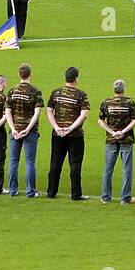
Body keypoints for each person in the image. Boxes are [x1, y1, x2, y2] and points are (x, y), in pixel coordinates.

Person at [46, 66, 90, 200]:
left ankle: (51, 192)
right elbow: (84, 114)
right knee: (75, 165)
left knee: (55, 163)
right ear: (76, 78)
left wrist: (57, 128)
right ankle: (76, 194)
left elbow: (49, 111)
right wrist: (70, 129)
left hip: (57, 135)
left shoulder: (56, 93)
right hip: (75, 136)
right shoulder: (81, 94)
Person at [98, 79, 135, 204]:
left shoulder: (107, 102)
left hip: (111, 139)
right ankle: (125, 198)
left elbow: (100, 120)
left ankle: (105, 197)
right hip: (126, 139)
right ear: (124, 89)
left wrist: (112, 132)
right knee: (127, 168)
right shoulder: (129, 102)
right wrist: (123, 131)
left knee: (108, 168)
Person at [6, 64, 43, 197]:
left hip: (15, 131)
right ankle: (30, 191)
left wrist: (13, 128)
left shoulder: (11, 91)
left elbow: (8, 112)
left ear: (19, 74)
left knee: (13, 160)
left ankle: (12, 190)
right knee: (30, 161)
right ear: (30, 75)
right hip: (30, 131)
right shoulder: (35, 91)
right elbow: (37, 112)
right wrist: (27, 129)